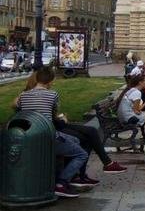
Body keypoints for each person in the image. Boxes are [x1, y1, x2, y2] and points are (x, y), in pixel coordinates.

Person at [14, 68, 92, 197]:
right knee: (81, 154)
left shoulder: (23, 95)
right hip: (48, 135)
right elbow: (54, 114)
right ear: (50, 81)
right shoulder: (52, 94)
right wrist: (62, 118)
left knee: (75, 141)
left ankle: (68, 175)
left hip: (29, 135)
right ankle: (62, 183)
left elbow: (20, 107)